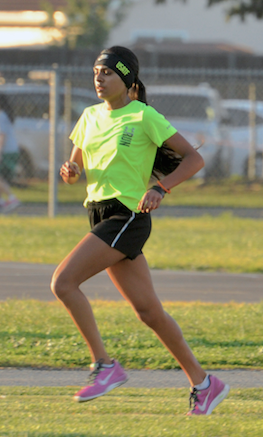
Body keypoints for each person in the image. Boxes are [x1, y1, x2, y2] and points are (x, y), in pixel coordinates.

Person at [51, 46, 229, 415]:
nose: (99, 79)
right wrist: (69, 171)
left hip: (128, 216)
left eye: (108, 73)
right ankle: (205, 383)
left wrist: (160, 188)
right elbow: (75, 167)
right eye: (96, 72)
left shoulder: (144, 116)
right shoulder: (88, 117)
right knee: (149, 312)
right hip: (99, 216)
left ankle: (105, 365)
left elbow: (194, 159)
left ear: (127, 80)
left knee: (63, 283)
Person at [0, 94, 20, 212]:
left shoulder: (1, 115)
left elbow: (2, 135)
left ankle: (12, 198)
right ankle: (2, 201)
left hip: (7, 151)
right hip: (8, 151)